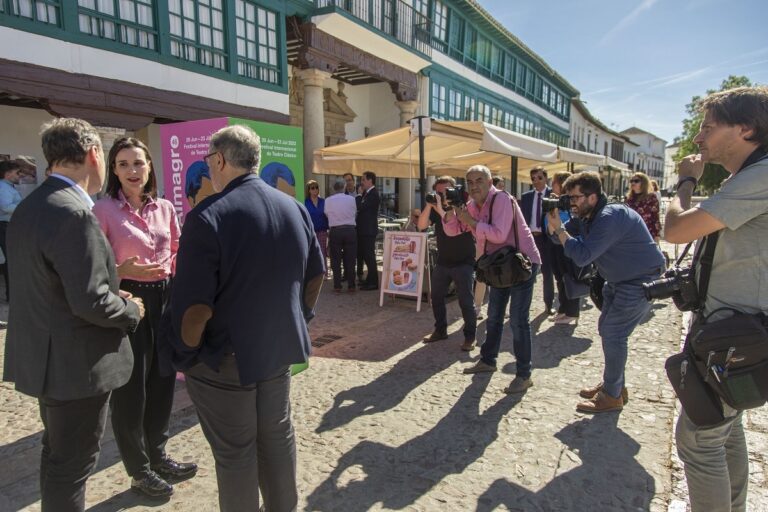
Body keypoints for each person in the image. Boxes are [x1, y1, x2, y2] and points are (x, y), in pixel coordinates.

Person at [160, 124, 325, 512]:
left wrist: (187, 352)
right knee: (277, 441)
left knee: (236, 454)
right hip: (276, 350)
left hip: (225, 360)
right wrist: (300, 316)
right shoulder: (294, 207)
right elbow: (317, 274)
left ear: (219, 160)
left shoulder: (208, 216)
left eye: (208, 161)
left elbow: (194, 308)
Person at [3, 118, 144, 512]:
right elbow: (91, 302)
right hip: (76, 364)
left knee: (58, 456)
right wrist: (130, 309)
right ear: (93, 154)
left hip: (46, 356)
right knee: (74, 463)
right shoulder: (75, 213)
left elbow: (52, 284)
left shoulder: (29, 206)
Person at [664, 85, 768, 512]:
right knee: (724, 431)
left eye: (707, 126)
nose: (698, 138)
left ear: (745, 128)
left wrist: (684, 182)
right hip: (733, 333)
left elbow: (676, 229)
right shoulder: (747, 176)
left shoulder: (760, 175)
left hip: (736, 336)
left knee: (698, 440)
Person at [92, 137, 195, 498]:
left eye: (138, 163)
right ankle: (139, 470)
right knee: (131, 390)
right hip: (128, 301)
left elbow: (179, 250)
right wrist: (120, 270)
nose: (132, 171)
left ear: (150, 166)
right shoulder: (102, 211)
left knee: (163, 381)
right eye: (123, 164)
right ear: (113, 170)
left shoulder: (165, 208)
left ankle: (158, 454)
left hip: (165, 300)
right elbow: (92, 272)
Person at [547, 171, 665, 413]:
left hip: (640, 281)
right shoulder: (588, 214)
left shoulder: (610, 216)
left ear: (592, 197)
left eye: (575, 198)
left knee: (613, 333)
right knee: (608, 331)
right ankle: (615, 386)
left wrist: (559, 230)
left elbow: (581, 255)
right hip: (617, 280)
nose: (571, 204)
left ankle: (611, 395)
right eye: (568, 198)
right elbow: (559, 239)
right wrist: (555, 224)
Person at [444, 165, 540, 394]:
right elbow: (452, 231)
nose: (474, 185)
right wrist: (450, 211)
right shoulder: (471, 205)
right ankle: (488, 360)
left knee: (518, 320)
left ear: (489, 182)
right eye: (469, 182)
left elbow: (498, 233)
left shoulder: (502, 200)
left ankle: (524, 375)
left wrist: (471, 221)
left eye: (479, 180)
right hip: (498, 266)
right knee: (494, 316)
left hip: (520, 264)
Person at [419, 176, 477, 351]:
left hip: (464, 261)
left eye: (446, 191)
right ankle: (440, 330)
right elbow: (422, 226)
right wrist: (430, 206)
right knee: (436, 297)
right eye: (439, 192)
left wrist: (441, 207)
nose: (442, 195)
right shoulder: (437, 208)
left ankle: (469, 337)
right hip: (443, 261)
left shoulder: (464, 207)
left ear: (454, 190)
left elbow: (454, 225)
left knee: (466, 301)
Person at [545, 170, 580, 325]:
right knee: (560, 278)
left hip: (565, 242)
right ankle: (563, 309)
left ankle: (572, 312)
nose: (551, 185)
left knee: (569, 278)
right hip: (554, 242)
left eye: (554, 182)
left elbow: (570, 222)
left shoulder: (570, 202)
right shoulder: (555, 200)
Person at [521, 167, 555, 315]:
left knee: (547, 273)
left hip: (546, 238)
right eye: (533, 178)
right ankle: (523, 306)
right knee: (526, 273)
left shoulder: (552, 195)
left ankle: (548, 305)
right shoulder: (526, 196)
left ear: (546, 178)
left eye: (539, 178)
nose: (536, 181)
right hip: (530, 238)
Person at [325, 179, 358, 292]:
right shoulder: (351, 199)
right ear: (344, 187)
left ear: (334, 188)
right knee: (350, 259)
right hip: (350, 230)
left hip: (336, 231)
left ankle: (337, 285)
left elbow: (326, 213)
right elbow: (354, 212)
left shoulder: (328, 200)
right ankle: (351, 285)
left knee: (336, 260)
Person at [0, 159, 22, 301]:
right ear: (7, 174)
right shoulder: (3, 187)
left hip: (9, 227)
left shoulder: (8, 186)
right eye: (17, 173)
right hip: (4, 227)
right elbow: (6, 207)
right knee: (10, 261)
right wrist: (24, 207)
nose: (19, 175)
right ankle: (12, 296)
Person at [356, 170, 380, 290]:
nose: (362, 183)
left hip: (368, 230)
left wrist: (359, 195)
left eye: (363, 180)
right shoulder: (368, 193)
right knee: (366, 256)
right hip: (364, 230)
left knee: (370, 257)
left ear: (370, 180)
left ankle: (374, 282)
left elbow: (360, 207)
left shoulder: (373, 194)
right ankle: (369, 279)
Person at [625, 172, 661, 242]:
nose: (633, 183)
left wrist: (657, 235)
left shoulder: (651, 197)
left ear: (643, 183)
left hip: (647, 232)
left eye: (636, 181)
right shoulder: (628, 198)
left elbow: (655, 217)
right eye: (631, 181)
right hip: (631, 233)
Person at [305, 179, 329, 278]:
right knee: (312, 252)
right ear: (309, 190)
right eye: (313, 188)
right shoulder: (306, 202)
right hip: (311, 231)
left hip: (322, 230)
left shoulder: (323, 201)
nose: (315, 190)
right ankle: (314, 274)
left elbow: (328, 215)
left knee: (322, 251)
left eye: (317, 187)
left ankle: (324, 273)